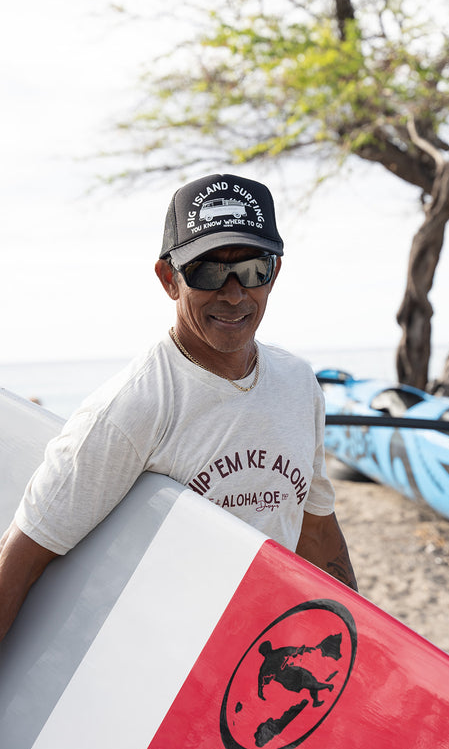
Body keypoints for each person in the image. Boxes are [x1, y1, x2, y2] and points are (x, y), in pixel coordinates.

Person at [0, 172, 357, 641]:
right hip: (164, 663)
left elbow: (314, 526)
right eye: (208, 271)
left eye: (252, 269)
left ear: (275, 274)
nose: (233, 293)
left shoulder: (297, 383)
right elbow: (21, 562)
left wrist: (363, 638)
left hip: (259, 644)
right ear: (170, 279)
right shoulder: (132, 406)